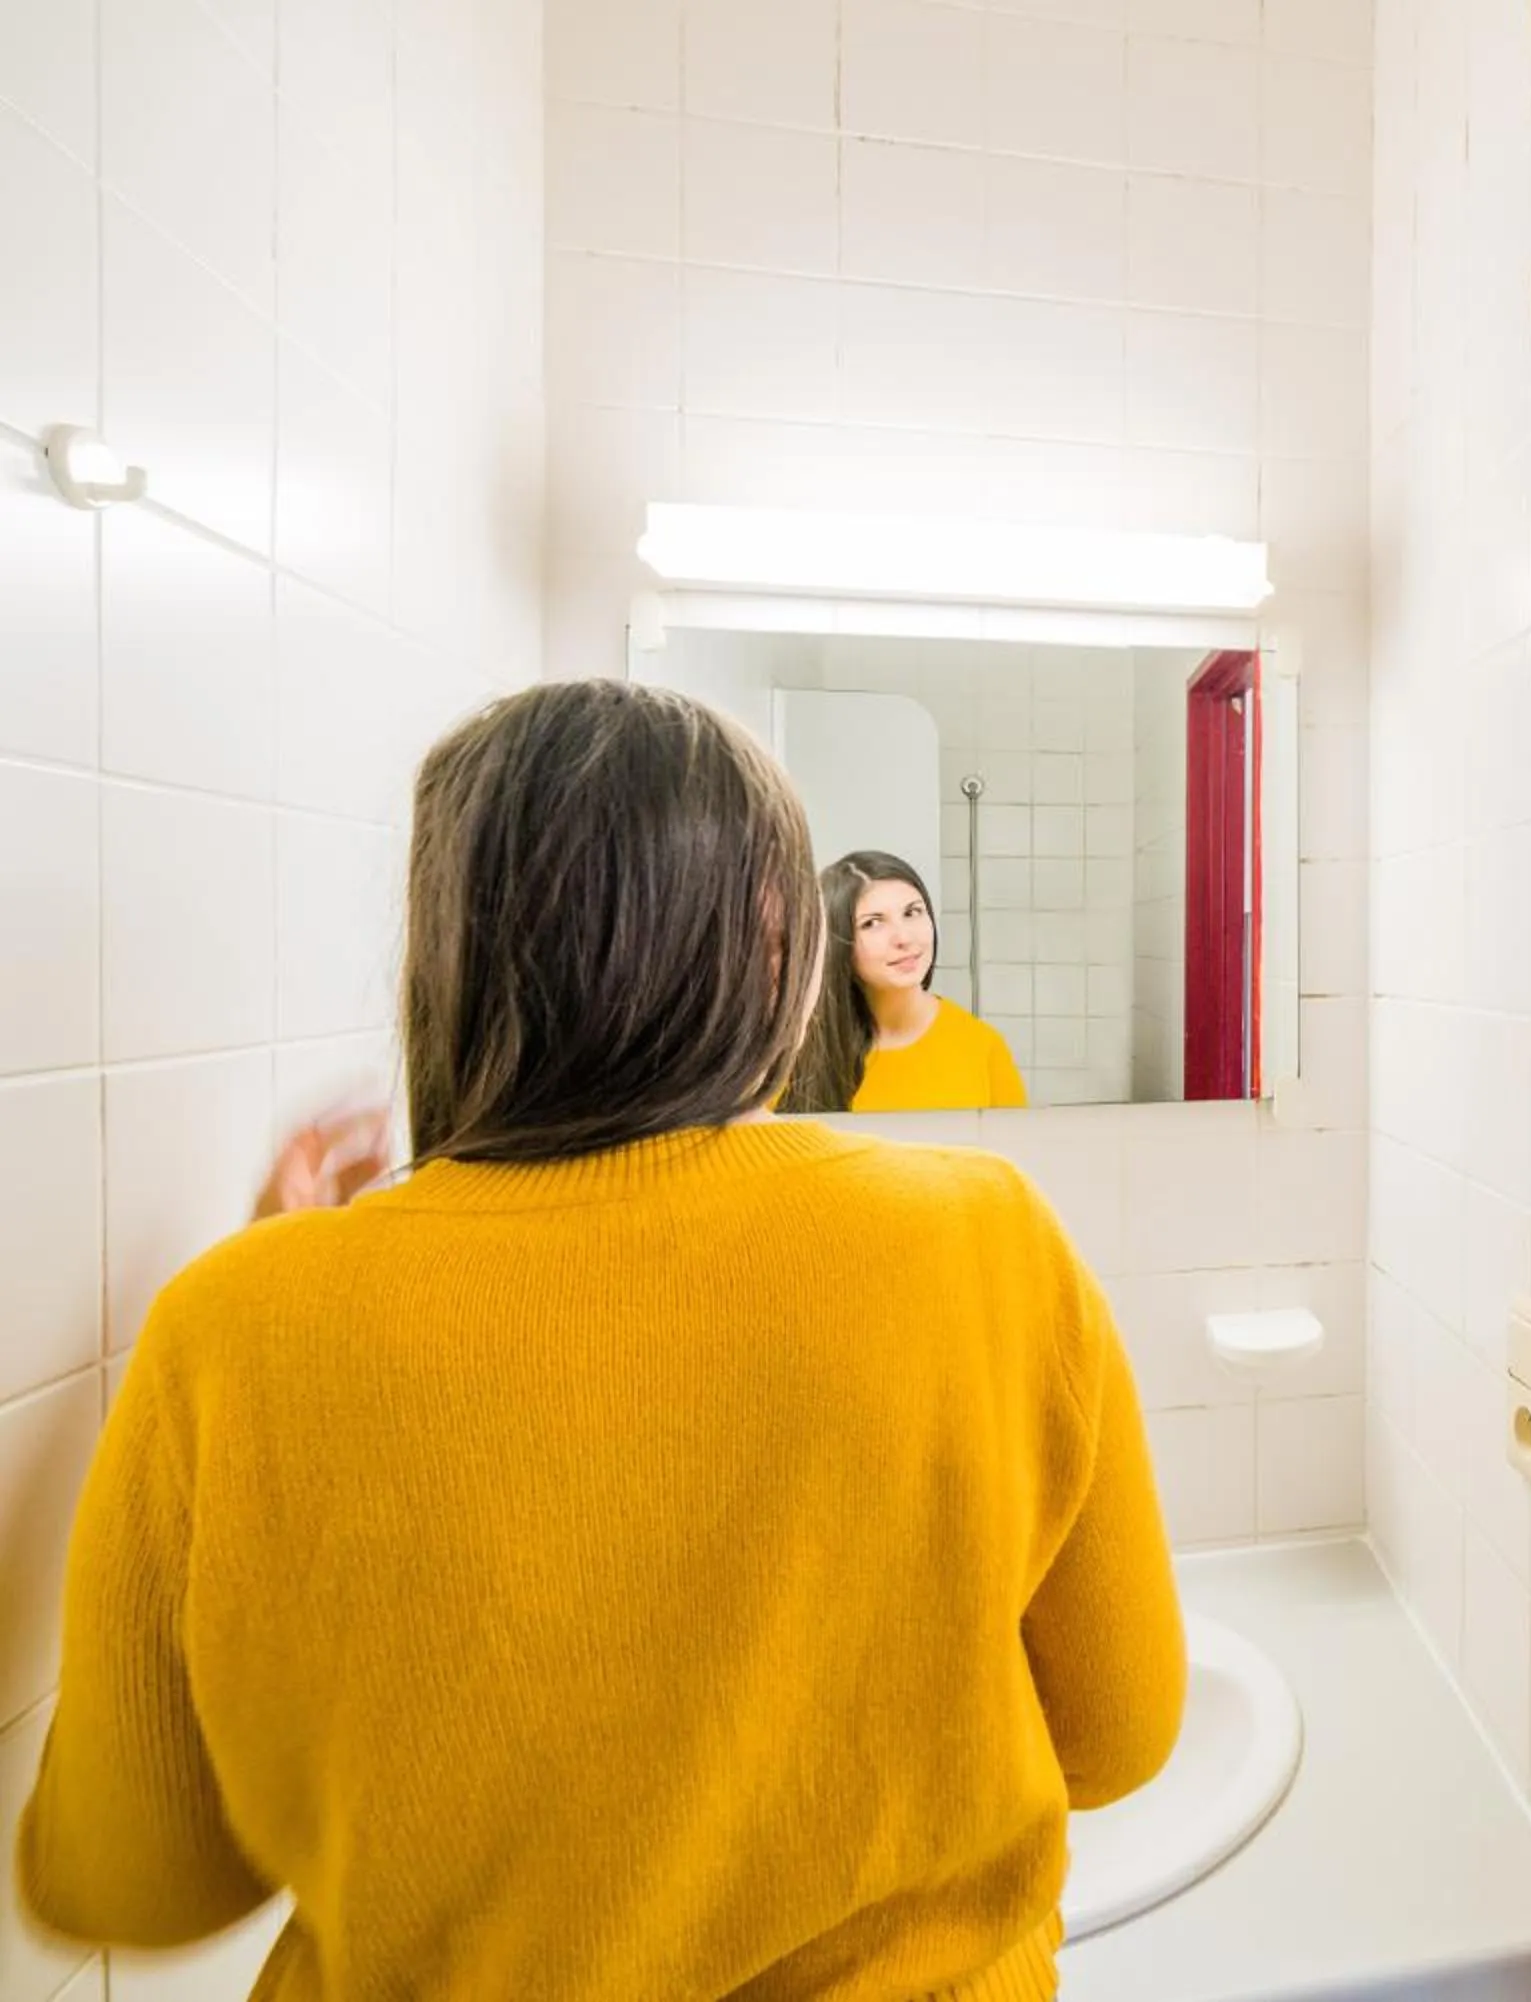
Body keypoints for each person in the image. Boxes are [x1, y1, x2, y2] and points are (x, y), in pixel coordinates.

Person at [17, 682, 1183, 1999]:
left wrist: (295, 1287)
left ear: (446, 951)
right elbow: (1120, 1734)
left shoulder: (234, 1325)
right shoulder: (980, 1236)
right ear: (785, 946)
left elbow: (128, 1876)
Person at [786, 851, 1030, 1114]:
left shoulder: (982, 1047)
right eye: (872, 923)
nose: (903, 937)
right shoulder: (797, 1055)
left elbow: (1017, 1150)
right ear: (838, 941)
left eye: (912, 912)